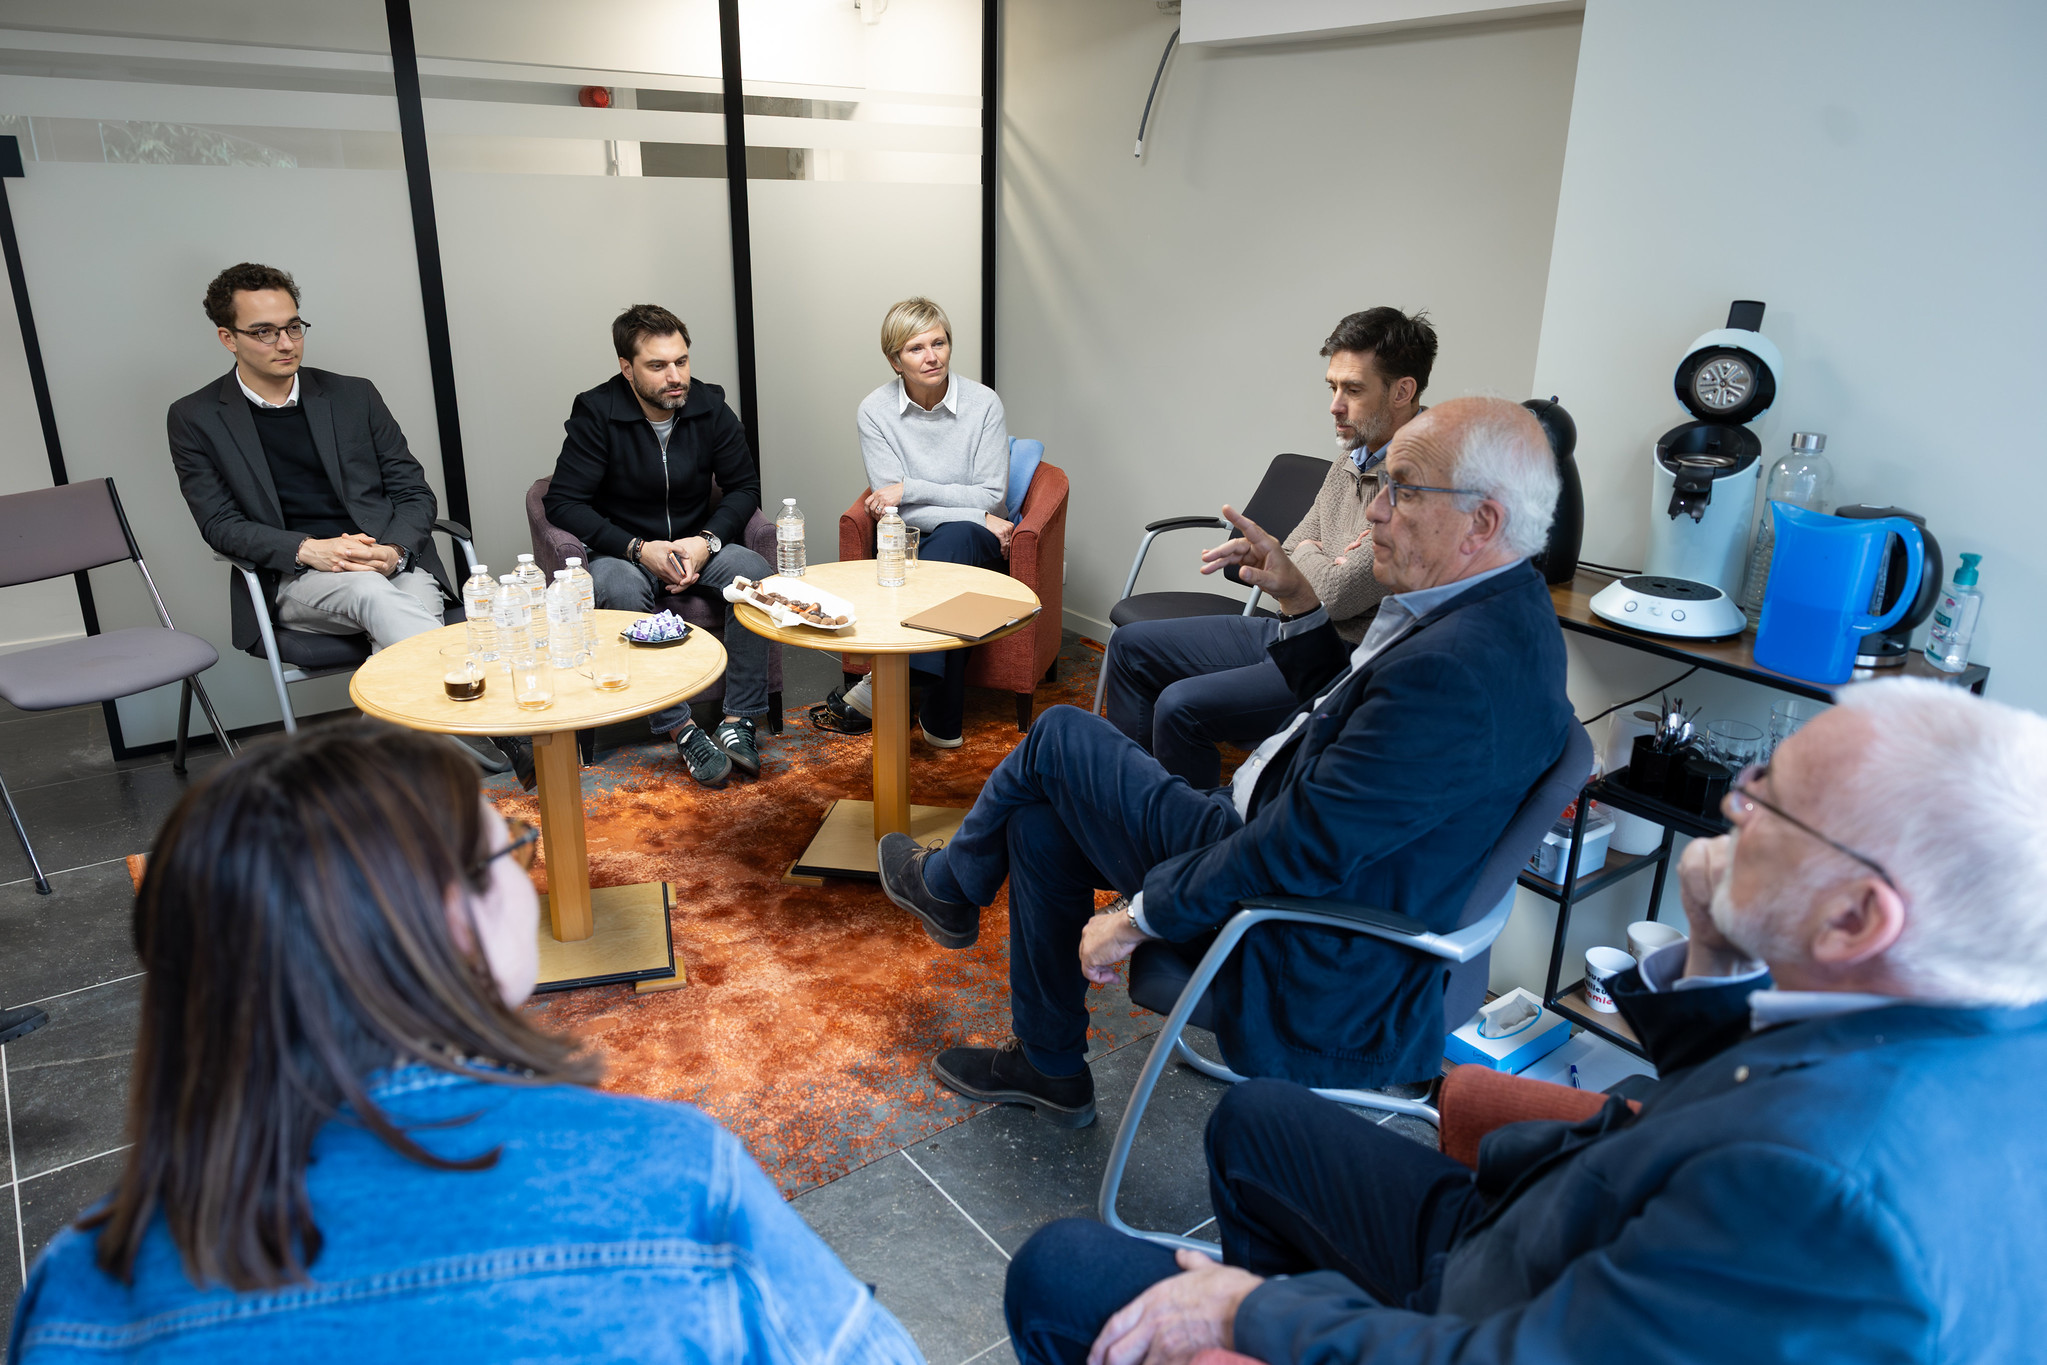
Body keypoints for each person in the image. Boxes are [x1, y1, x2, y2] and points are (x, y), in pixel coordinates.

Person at [1001, 679, 2047, 1365]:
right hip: (1528, 1234)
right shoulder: (1970, 1027)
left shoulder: (1819, 1191)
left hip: (1502, 1314)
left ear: (1856, 917)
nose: (1735, 804)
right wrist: (1716, 951)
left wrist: (1247, 1313)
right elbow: (1724, 1099)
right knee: (1255, 1118)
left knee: (1063, 1272)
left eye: (1768, 801)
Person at [6, 725, 920, 1363]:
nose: (529, 874)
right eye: (513, 850)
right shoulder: (676, 1175)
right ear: (451, 918)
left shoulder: (78, 1286)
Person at [876, 397, 1570, 1127]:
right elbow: (1343, 714)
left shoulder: (1455, 670)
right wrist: (1300, 603)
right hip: (1275, 845)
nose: (1375, 510)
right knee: (1039, 825)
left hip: (1292, 927)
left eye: (1401, 490)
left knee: (1059, 733)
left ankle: (951, 884)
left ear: (1481, 521)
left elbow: (1303, 848)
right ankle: (1048, 1065)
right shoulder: (1489, 614)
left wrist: (1137, 916)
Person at [1103, 308, 1435, 787]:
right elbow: (1294, 548)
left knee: (1180, 706)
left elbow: (1334, 596)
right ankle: (1135, 805)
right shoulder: (1352, 454)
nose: (1335, 405)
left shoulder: (1422, 479)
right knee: (1129, 646)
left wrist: (1306, 561)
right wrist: (1316, 559)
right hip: (1290, 629)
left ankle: (1190, 831)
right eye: (1332, 387)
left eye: (1353, 390)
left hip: (1346, 658)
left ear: (1402, 391)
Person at [168, 263, 456, 656]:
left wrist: (394, 551)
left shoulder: (353, 396)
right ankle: (474, 687)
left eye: (293, 327)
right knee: (375, 596)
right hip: (295, 576)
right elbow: (220, 524)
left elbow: (413, 492)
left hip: (386, 562)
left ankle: (420, 695)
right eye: (264, 332)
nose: (286, 344)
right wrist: (308, 549)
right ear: (228, 338)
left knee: (402, 614)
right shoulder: (196, 417)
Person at [544, 304, 774, 788]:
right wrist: (637, 548)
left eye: (682, 361)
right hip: (623, 552)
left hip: (695, 543)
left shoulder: (709, 406)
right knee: (619, 589)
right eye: (658, 365)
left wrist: (706, 542)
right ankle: (682, 729)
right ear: (627, 368)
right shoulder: (597, 413)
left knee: (754, 573)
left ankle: (739, 720)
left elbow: (744, 488)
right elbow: (562, 501)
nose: (676, 377)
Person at [817, 297, 1010, 749]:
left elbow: (992, 497)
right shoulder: (875, 410)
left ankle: (897, 679)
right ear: (895, 360)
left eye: (939, 343)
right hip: (907, 541)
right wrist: (975, 513)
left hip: (975, 543)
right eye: (916, 348)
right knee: (949, 554)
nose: (932, 357)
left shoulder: (984, 404)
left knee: (956, 538)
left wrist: (910, 489)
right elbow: (892, 512)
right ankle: (940, 716)